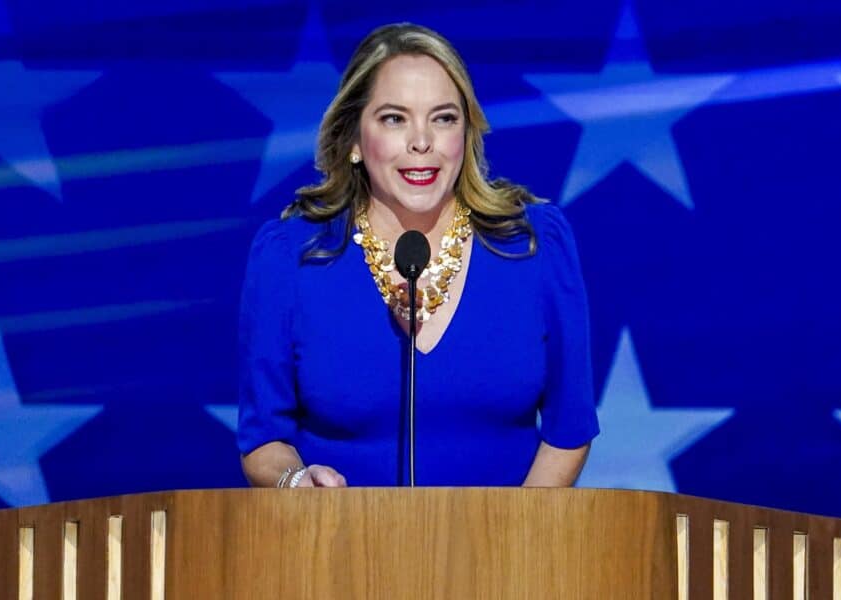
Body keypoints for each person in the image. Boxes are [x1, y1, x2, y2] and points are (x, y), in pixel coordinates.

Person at [237, 23, 599, 488]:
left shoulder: (534, 244)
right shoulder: (291, 256)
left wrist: (512, 547)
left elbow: (569, 432)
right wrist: (294, 480)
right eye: (394, 118)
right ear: (352, 138)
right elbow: (262, 440)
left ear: (466, 134)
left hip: (509, 553)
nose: (421, 141)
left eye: (444, 118)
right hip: (340, 552)